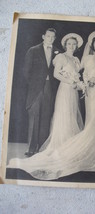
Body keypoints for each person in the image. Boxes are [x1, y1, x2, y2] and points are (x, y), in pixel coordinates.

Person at [8, 31, 95, 180]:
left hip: (74, 92)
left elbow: (81, 75)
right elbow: (56, 75)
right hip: (65, 90)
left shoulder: (77, 60)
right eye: (69, 44)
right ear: (65, 45)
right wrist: (71, 82)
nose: (71, 46)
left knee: (72, 115)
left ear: (76, 46)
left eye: (74, 44)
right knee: (64, 115)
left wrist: (80, 84)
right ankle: (60, 146)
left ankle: (69, 145)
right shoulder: (61, 57)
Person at [24, 28, 60, 157]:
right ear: (43, 36)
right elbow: (26, 72)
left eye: (53, 37)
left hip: (50, 87)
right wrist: (35, 84)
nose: (50, 38)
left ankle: (42, 148)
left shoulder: (58, 52)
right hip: (36, 89)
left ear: (55, 38)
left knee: (46, 116)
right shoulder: (33, 50)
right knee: (34, 116)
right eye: (48, 36)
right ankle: (31, 148)